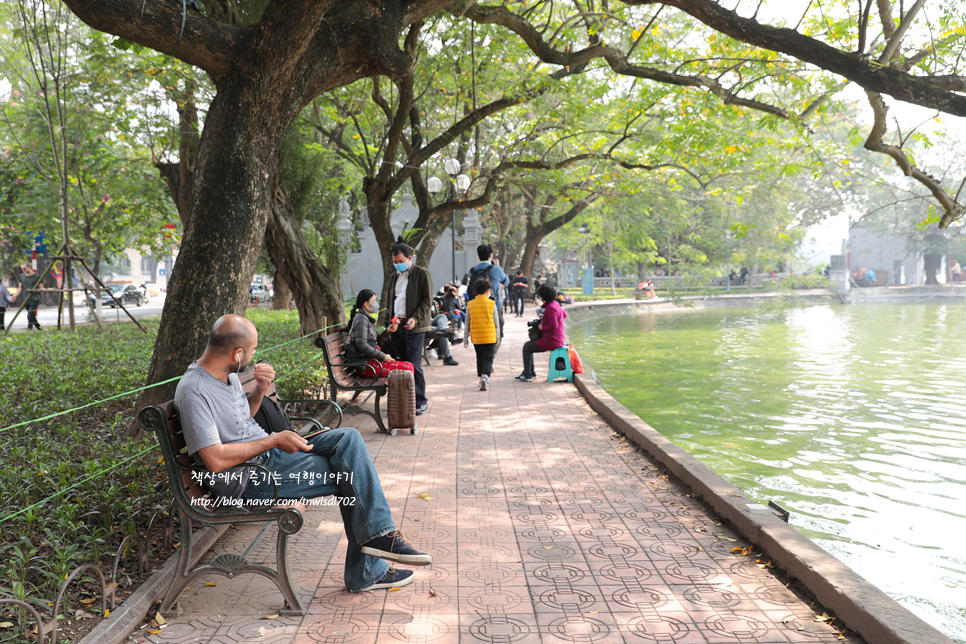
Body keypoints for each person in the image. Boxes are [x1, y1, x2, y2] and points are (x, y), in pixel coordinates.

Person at [174, 315, 431, 592]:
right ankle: (371, 562)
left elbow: (238, 423)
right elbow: (214, 460)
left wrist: (259, 391)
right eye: (251, 350)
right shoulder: (194, 391)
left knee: (349, 439)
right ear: (237, 354)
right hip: (251, 479)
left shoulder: (227, 375)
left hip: (268, 459)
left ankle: (377, 545)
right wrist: (272, 441)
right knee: (352, 474)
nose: (253, 356)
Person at [385, 242, 433, 415]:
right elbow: (392, 302)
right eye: (395, 261)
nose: (397, 264)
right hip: (397, 326)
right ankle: (404, 400)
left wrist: (414, 319)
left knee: (413, 363)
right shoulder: (394, 277)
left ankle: (420, 400)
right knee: (401, 364)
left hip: (415, 326)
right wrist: (387, 324)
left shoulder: (422, 274)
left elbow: (427, 301)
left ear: (409, 258)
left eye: (400, 260)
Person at [345, 289, 414, 377]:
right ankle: (402, 391)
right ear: (366, 304)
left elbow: (376, 342)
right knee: (408, 368)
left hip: (371, 362)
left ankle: (401, 391)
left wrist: (387, 331)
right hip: (367, 366)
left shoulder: (366, 318)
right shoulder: (362, 319)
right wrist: (383, 357)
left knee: (409, 365)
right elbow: (361, 344)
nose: (376, 304)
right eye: (373, 301)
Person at [516, 285, 568, 382]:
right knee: (529, 346)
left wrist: (542, 327)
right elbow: (564, 315)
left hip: (552, 341)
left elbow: (553, 326)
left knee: (527, 347)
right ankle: (531, 373)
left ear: (542, 297)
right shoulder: (555, 304)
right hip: (558, 338)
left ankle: (528, 374)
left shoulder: (550, 307)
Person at [468, 245, 510, 358]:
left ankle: (484, 359)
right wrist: (498, 267)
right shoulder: (496, 269)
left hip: (477, 307)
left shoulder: (472, 271)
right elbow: (507, 282)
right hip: (495, 306)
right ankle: (490, 358)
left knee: (480, 332)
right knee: (498, 332)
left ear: (478, 257)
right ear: (491, 255)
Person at [464, 278, 501, 391]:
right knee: (488, 358)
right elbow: (496, 323)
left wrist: (465, 339)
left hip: (476, 337)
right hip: (489, 336)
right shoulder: (491, 303)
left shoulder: (470, 304)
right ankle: (485, 377)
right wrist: (498, 338)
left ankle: (481, 376)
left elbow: (467, 323)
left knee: (479, 357)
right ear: (488, 290)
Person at [18, 262, 44, 330]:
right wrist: (15, 295)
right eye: (22, 269)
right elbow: (20, 287)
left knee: (30, 313)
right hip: (26, 298)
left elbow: (41, 287)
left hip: (34, 297)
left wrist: (41, 290)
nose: (23, 270)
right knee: (31, 314)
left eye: (24, 268)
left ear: (29, 267)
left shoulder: (37, 276)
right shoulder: (22, 276)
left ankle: (29, 328)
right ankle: (38, 327)